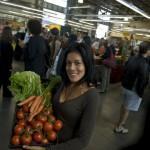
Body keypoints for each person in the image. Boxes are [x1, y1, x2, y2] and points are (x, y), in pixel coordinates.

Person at [20, 42, 100, 150]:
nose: (71, 68)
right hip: (44, 138)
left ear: (87, 64)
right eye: (68, 63)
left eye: (77, 63)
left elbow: (82, 141)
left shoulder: (92, 96)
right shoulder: (64, 83)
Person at [114, 41, 150, 134]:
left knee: (124, 106)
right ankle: (119, 127)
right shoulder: (144, 63)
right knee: (127, 109)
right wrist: (140, 93)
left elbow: (125, 70)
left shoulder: (132, 58)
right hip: (133, 89)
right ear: (147, 51)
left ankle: (119, 123)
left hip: (125, 86)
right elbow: (143, 79)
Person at [0, 26, 13, 97]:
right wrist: (10, 67)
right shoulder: (9, 45)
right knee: (6, 81)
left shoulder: (0, 41)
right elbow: (9, 58)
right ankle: (6, 93)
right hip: (5, 66)